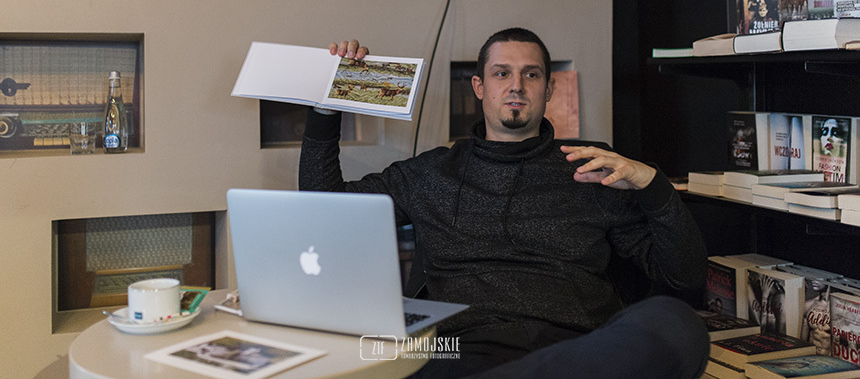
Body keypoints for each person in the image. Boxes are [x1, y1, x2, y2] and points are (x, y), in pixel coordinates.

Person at [299, 28, 709, 379]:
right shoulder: (431, 173)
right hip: (460, 352)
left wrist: (652, 184)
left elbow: (683, 275)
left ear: (549, 89)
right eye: (502, 73)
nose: (516, 86)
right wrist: (325, 108)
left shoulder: (593, 166)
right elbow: (325, 210)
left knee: (677, 323)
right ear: (480, 87)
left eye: (531, 74)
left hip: (577, 349)